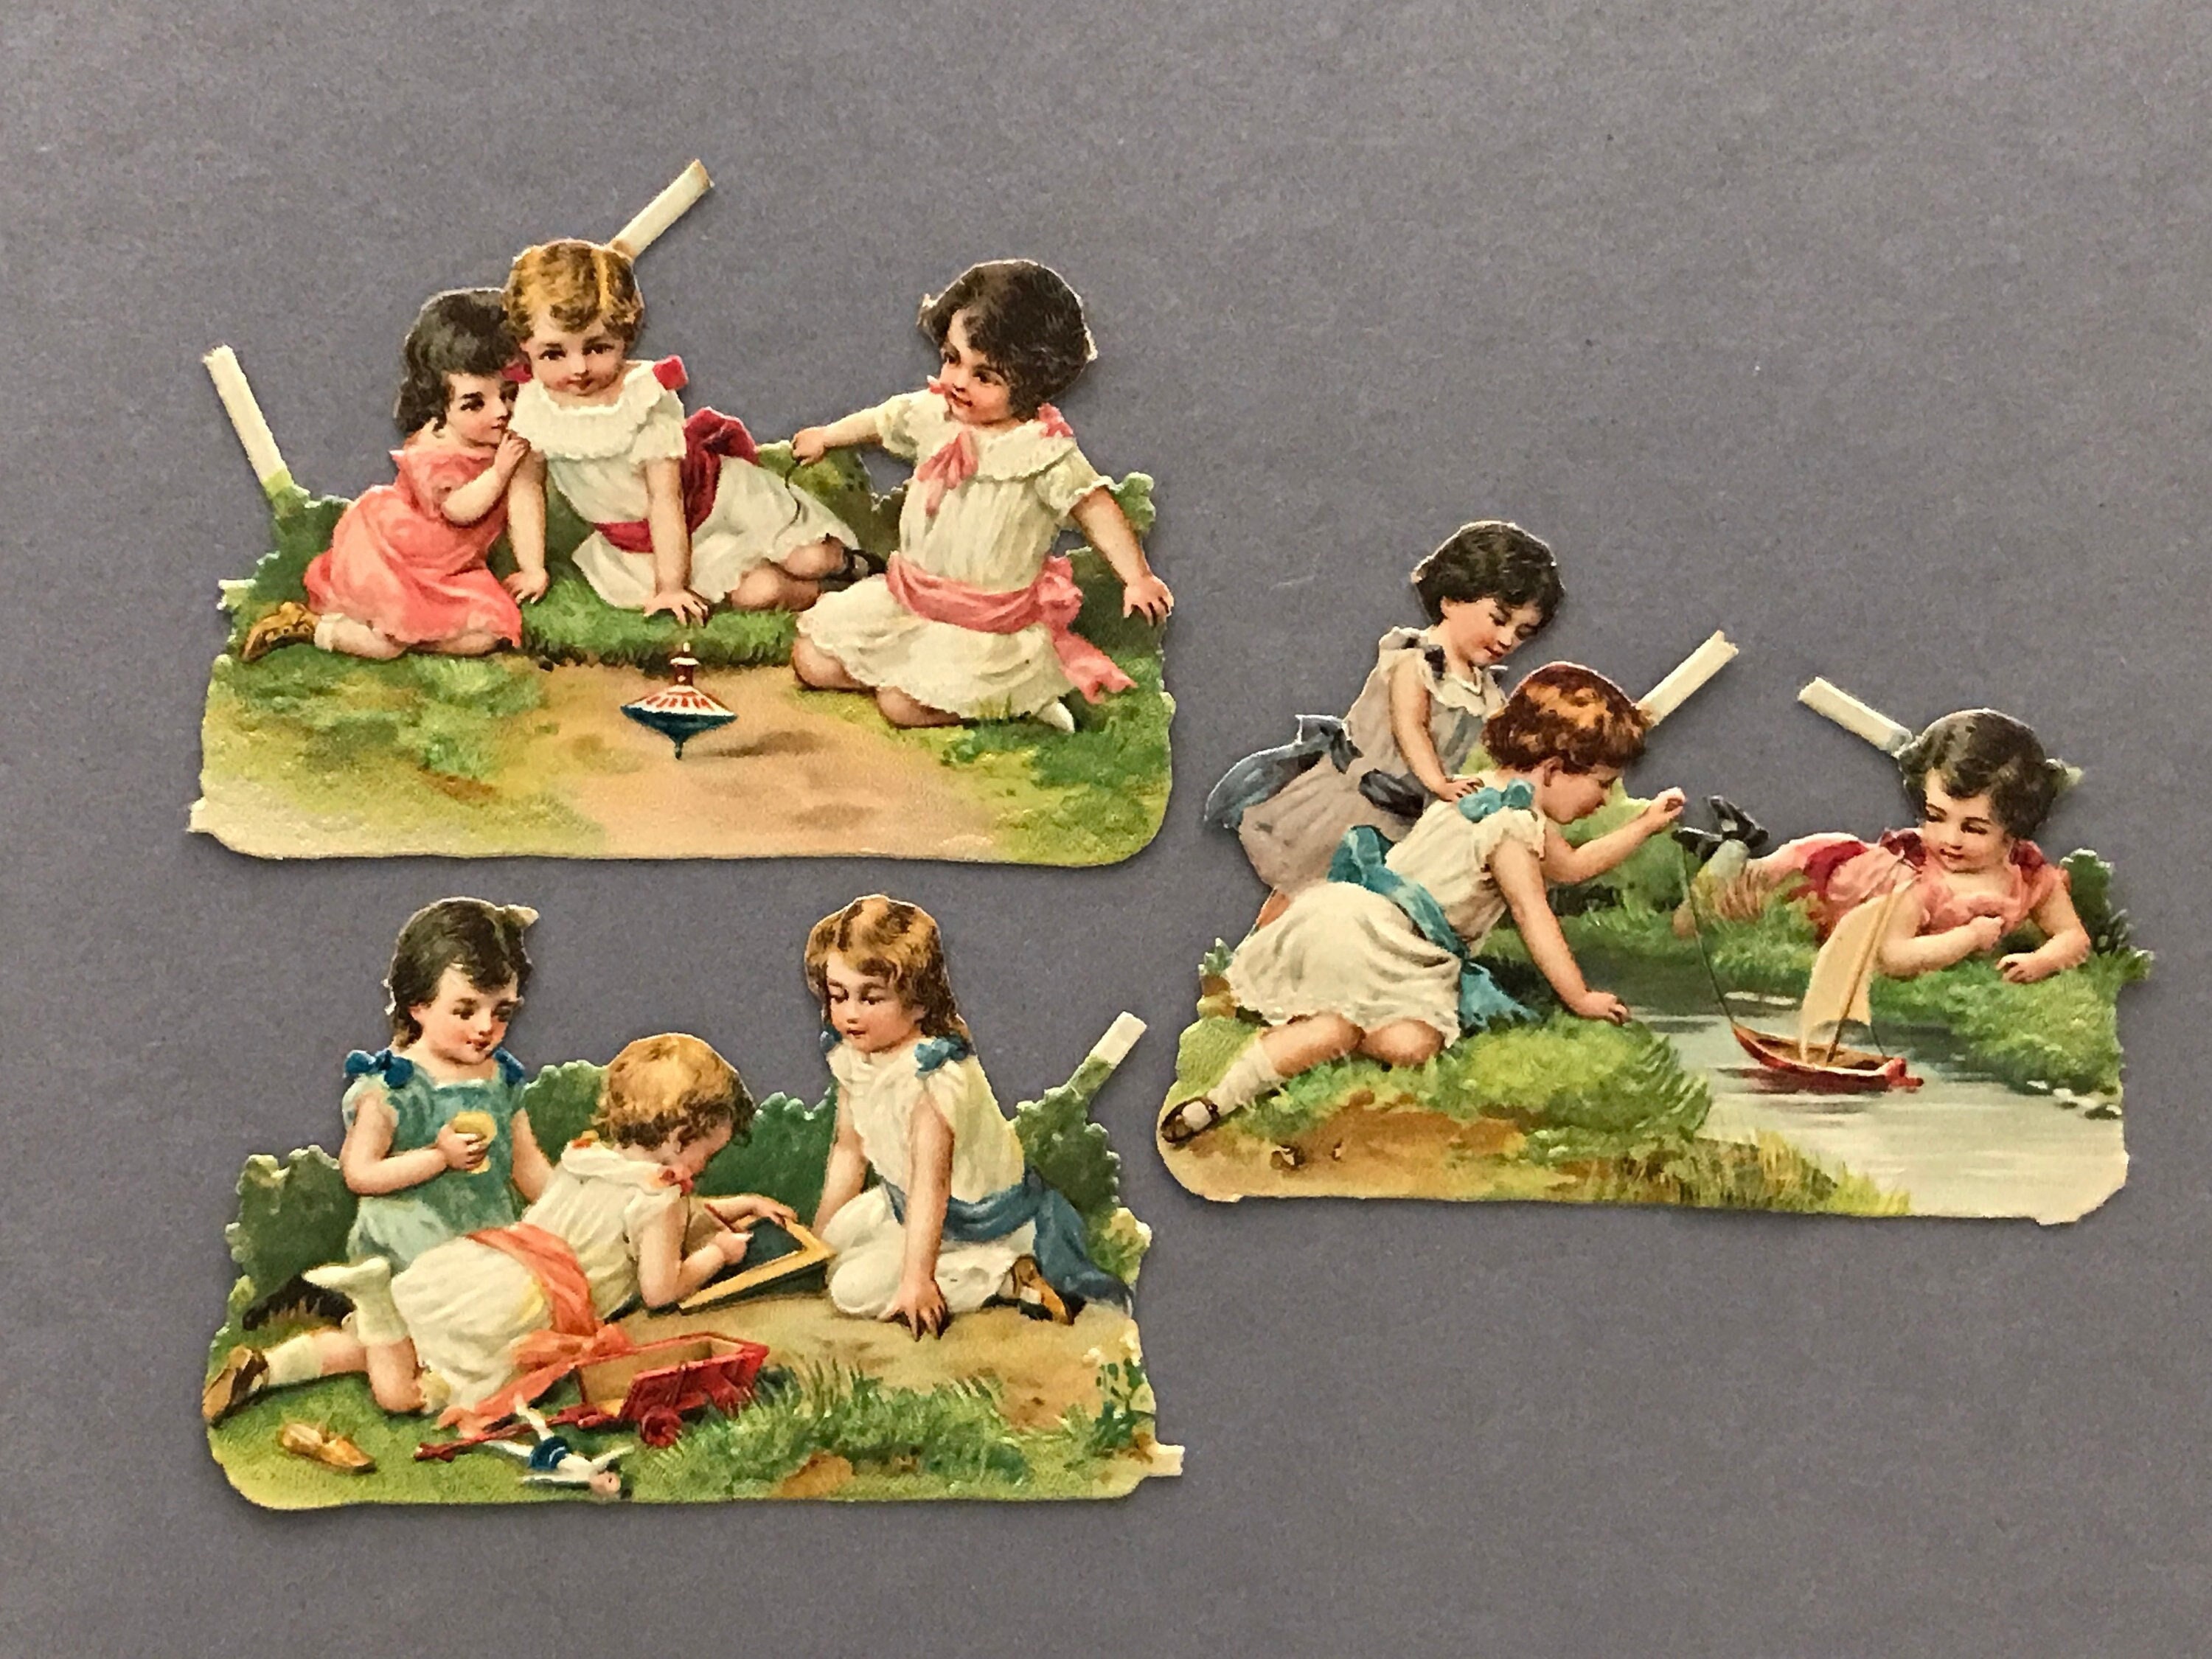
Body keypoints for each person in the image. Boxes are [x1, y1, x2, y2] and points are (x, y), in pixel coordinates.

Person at [1161, 665, 1684, 1146]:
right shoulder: (1509, 829)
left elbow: (1571, 868)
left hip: (1372, 930)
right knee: (1338, 1029)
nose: (1604, 800)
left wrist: (1643, 825)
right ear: (1552, 769)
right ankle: (1220, 1099)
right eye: (1602, 784)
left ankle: (1317, 1028)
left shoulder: (1484, 793)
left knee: (1413, 1044)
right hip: (1383, 940)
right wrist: (1580, 997)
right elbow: (1533, 916)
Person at [203, 1034, 794, 1433]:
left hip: (486, 1266)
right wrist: (718, 1254)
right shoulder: (660, 1197)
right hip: (525, 1308)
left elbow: (634, 1212)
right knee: (409, 1392)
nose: (703, 1169)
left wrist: (737, 1204)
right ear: (680, 1138)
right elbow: (662, 1289)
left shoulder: (588, 1158)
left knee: (379, 1349)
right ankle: (376, 1303)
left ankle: (270, 1368)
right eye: (707, 1154)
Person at [789, 260, 1172, 731]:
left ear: (1031, 381)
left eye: (985, 375)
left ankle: (1009, 694)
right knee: (811, 660)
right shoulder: (933, 415)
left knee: (900, 706)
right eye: (952, 359)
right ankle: (901, 669)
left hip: (982, 629)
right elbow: (881, 421)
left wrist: (1137, 577)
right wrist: (827, 437)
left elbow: (1094, 507)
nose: (958, 381)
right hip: (908, 602)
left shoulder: (1042, 451)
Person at [806, 895, 1127, 1336]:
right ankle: (948, 1264)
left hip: (975, 1220)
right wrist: (815, 1245)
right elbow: (849, 1149)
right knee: (835, 1242)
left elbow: (932, 1186)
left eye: (871, 998)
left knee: (850, 1290)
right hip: (904, 1201)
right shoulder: (854, 1056)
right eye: (839, 996)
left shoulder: (934, 1075)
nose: (850, 1014)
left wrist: (916, 1280)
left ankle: (1006, 1272)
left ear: (919, 1002)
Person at [500, 238, 858, 623]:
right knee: (760, 592)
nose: (578, 369)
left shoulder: (641, 398)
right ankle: (824, 596)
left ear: (625, 336)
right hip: (644, 547)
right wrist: (533, 568)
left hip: (718, 504)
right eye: (554, 353)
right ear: (526, 347)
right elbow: (526, 487)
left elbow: (665, 499)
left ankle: (853, 566)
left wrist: (671, 586)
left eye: (598, 348)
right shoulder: (532, 407)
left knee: (808, 558)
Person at [1220, 521, 1562, 924]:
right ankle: (1249, 957)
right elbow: (1410, 726)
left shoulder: (1483, 690)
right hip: (1359, 802)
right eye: (1498, 619)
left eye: (1522, 633)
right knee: (1302, 892)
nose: (1507, 640)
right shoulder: (1415, 661)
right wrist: (1439, 783)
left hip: (1406, 820)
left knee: (1347, 916)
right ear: (1452, 598)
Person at [240, 291, 530, 662]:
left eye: (509, 394)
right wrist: (501, 471)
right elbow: (460, 511)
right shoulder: (435, 451)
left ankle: (412, 634)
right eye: (475, 404)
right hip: (398, 555)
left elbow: (525, 499)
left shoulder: (504, 442)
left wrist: (533, 569)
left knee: (489, 633)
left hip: (453, 570)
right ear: (439, 407)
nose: (500, 411)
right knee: (384, 647)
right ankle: (312, 627)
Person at [1717, 709, 2091, 983]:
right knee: (1733, 896)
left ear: (2013, 829)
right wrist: (1970, 937)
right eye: (1935, 817)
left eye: (1974, 829)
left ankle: (1733, 845)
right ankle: (1731, 849)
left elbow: (2073, 936)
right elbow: (1893, 956)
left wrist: (2041, 962)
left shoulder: (2029, 872)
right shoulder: (1917, 879)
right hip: (1824, 877)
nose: (1950, 840)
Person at [335, 899, 550, 1273]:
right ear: (418, 1004)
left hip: (486, 1233)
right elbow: (360, 1173)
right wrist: (438, 1158)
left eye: (502, 1013)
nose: (485, 1027)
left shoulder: (502, 1080)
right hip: (411, 1242)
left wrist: (572, 1199)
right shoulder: (395, 1085)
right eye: (465, 1011)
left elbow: (526, 1165)